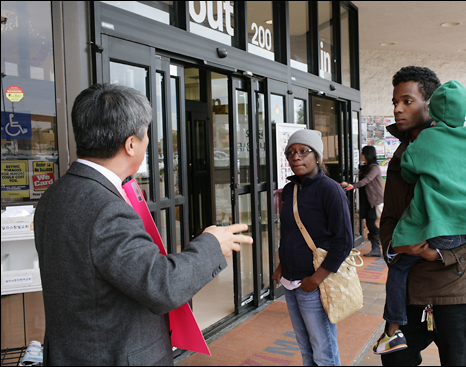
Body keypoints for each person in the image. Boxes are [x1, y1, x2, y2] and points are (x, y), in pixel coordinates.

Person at [34, 84, 253, 366]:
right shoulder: (106, 208)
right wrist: (211, 244)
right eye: (146, 133)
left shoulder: (54, 194)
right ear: (130, 144)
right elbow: (161, 286)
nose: (148, 141)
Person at [378, 66, 466, 366]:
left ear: (431, 103)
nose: (398, 109)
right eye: (394, 102)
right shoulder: (401, 157)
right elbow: (388, 218)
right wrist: (394, 246)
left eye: (407, 101)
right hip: (407, 295)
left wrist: (443, 254)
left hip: (456, 292)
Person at [271, 129, 353, 366]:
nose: (296, 157)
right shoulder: (289, 190)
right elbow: (289, 232)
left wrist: (316, 279)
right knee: (305, 346)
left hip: (314, 283)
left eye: (303, 151)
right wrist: (281, 265)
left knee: (323, 349)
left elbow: (343, 241)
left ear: (316, 156)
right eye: (291, 152)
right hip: (291, 281)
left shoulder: (330, 189)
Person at [340, 145, 384, 257]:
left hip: (374, 201)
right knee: (369, 224)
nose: (361, 156)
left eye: (363, 153)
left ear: (367, 154)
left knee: (371, 224)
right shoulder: (366, 167)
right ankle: (376, 248)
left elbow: (367, 180)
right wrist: (349, 184)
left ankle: (383, 241)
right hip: (367, 200)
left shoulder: (374, 167)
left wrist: (352, 186)